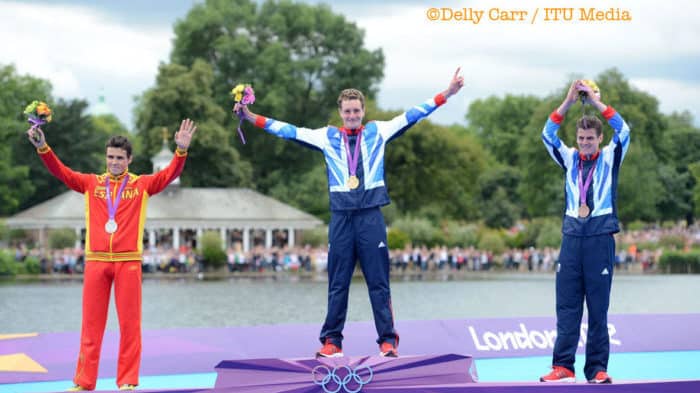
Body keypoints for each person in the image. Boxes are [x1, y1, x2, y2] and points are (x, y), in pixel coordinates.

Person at [234, 69, 464, 358]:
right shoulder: (325, 137)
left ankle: (388, 341)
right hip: (341, 219)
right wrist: (251, 116)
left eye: (357, 110)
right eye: (348, 111)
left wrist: (448, 93)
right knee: (338, 282)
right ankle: (332, 342)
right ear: (340, 113)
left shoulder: (378, 131)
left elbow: (414, 114)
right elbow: (287, 130)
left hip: (370, 216)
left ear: (363, 111)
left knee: (378, 282)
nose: (352, 115)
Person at [26, 119, 197, 391]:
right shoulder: (91, 183)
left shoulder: (141, 185)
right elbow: (62, 172)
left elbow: (168, 176)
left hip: (128, 262)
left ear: (129, 159)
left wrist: (181, 151)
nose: (114, 162)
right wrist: (43, 147)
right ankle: (84, 382)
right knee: (90, 327)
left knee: (130, 326)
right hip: (95, 261)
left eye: (119, 157)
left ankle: (127, 381)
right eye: (110, 157)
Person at [540, 80, 630, 384]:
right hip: (571, 238)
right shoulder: (568, 158)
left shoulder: (609, 157)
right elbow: (547, 134)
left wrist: (594, 102)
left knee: (597, 309)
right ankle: (563, 366)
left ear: (600, 138)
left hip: (600, 238)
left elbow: (625, 130)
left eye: (590, 137)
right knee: (566, 306)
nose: (585, 142)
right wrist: (567, 101)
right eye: (581, 137)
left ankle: (596, 370)